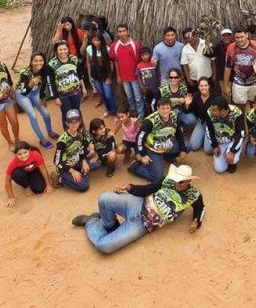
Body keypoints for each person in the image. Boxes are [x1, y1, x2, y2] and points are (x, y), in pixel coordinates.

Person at [71, 164, 204, 254]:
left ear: (189, 182)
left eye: (180, 182)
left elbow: (200, 208)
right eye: (175, 179)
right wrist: (129, 188)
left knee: (104, 246)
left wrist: (196, 221)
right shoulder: (167, 180)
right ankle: (111, 225)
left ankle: (91, 222)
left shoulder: (194, 195)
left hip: (144, 225)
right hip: (138, 203)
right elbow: (148, 189)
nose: (176, 183)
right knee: (104, 199)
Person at [132, 98, 188, 183]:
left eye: (167, 108)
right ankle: (136, 167)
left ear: (171, 108)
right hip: (152, 149)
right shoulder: (150, 121)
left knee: (188, 146)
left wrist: (183, 149)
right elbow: (139, 138)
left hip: (167, 144)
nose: (165, 111)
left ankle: (166, 158)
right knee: (159, 179)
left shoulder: (174, 116)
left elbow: (179, 133)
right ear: (158, 109)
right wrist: (143, 154)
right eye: (162, 108)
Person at [15, 52, 59, 149]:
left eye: (41, 60)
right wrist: (30, 85)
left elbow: (46, 84)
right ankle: (42, 139)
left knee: (46, 113)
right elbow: (24, 92)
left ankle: (50, 131)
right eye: (35, 61)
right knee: (33, 115)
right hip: (23, 95)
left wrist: (42, 98)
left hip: (35, 92)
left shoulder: (45, 69)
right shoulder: (25, 73)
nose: (38, 63)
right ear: (31, 62)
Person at [47, 40, 87, 130]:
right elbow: (50, 83)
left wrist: (83, 88)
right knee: (66, 113)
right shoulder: (52, 64)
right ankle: (68, 133)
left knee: (77, 111)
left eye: (65, 49)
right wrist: (55, 97)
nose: (63, 52)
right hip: (62, 96)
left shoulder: (74, 59)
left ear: (68, 49)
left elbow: (80, 75)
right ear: (56, 51)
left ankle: (81, 129)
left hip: (76, 92)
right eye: (60, 50)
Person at [223, 27, 256, 112]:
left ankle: (254, 124)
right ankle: (240, 124)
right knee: (239, 109)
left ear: (247, 35)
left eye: (242, 37)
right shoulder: (231, 48)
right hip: (239, 84)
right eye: (237, 37)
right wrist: (226, 85)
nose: (240, 40)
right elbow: (227, 68)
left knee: (255, 107)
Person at [109, 24, 145, 119]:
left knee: (138, 97)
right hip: (124, 77)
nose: (122, 33)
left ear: (128, 31)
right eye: (120, 31)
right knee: (129, 97)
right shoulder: (114, 46)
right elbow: (115, 61)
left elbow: (140, 62)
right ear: (117, 33)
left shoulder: (135, 45)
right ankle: (133, 114)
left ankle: (141, 116)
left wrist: (140, 76)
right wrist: (118, 75)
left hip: (135, 77)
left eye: (124, 31)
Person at [52, 109, 93, 192]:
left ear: (80, 122)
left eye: (76, 121)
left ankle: (80, 174)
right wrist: (72, 171)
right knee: (84, 186)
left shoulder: (81, 135)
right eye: (71, 122)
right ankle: (59, 178)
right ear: (67, 123)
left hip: (77, 161)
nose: (74, 124)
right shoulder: (62, 140)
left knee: (96, 164)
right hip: (65, 167)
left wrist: (84, 160)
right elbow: (56, 161)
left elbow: (82, 150)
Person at [4, 141, 53, 207]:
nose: (23, 156)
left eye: (25, 152)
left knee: (39, 188)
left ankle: (31, 182)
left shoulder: (35, 155)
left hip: (34, 171)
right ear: (15, 154)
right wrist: (10, 197)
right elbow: (7, 179)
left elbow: (43, 170)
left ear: (29, 150)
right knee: (17, 174)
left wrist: (48, 184)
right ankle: (27, 187)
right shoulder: (14, 162)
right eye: (19, 154)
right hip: (22, 173)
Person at [206, 96, 246, 173]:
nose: (211, 111)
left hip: (233, 140)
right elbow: (209, 129)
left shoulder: (237, 113)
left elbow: (241, 134)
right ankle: (224, 154)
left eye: (214, 110)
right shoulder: (209, 112)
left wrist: (232, 151)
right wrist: (214, 145)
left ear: (223, 111)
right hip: (219, 140)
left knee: (233, 159)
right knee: (219, 169)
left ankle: (232, 162)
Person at [86, 32, 117, 117]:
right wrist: (89, 75)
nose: (96, 42)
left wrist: (109, 77)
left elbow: (111, 63)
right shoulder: (89, 48)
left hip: (105, 74)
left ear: (101, 41)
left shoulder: (107, 49)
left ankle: (114, 112)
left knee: (108, 95)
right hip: (95, 74)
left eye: (98, 40)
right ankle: (108, 110)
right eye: (94, 40)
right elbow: (88, 62)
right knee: (102, 94)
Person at [53, 16, 88, 87]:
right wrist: (59, 29)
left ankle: (81, 89)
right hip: (66, 58)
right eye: (64, 25)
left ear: (72, 23)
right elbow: (54, 42)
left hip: (78, 57)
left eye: (68, 24)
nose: (66, 27)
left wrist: (85, 42)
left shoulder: (78, 32)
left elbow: (83, 46)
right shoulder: (62, 33)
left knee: (78, 75)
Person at [184, 77, 215, 151]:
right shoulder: (196, 96)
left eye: (205, 85)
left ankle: (208, 137)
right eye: (201, 86)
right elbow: (188, 111)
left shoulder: (215, 97)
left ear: (209, 86)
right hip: (201, 122)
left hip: (212, 124)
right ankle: (203, 136)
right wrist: (187, 104)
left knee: (208, 150)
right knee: (193, 146)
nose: (203, 88)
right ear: (198, 87)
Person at [135, 47, 157, 114]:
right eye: (142, 55)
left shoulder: (153, 63)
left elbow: (158, 73)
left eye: (146, 54)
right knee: (148, 102)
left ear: (150, 54)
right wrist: (142, 87)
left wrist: (159, 84)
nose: (145, 57)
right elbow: (138, 76)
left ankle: (156, 114)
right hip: (146, 88)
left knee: (156, 101)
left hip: (155, 87)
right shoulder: (139, 65)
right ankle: (149, 115)